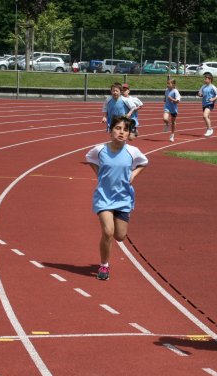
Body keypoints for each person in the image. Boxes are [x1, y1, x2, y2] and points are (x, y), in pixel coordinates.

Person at [86, 116, 148, 280]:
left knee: (120, 236)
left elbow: (144, 163)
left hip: (123, 198)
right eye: (118, 128)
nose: (121, 132)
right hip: (104, 197)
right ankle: (104, 266)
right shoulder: (99, 150)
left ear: (128, 134)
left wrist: (133, 174)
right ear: (110, 130)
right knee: (108, 232)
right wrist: (99, 174)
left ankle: (113, 229)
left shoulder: (132, 152)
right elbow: (89, 158)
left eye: (125, 130)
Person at [163, 78, 181, 142]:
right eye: (167, 83)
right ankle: (167, 124)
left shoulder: (175, 91)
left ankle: (172, 135)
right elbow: (165, 97)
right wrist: (165, 99)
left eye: (169, 83)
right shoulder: (166, 90)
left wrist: (172, 99)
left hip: (173, 108)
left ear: (173, 84)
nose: (167, 85)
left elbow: (178, 101)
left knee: (173, 122)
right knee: (165, 119)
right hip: (167, 107)